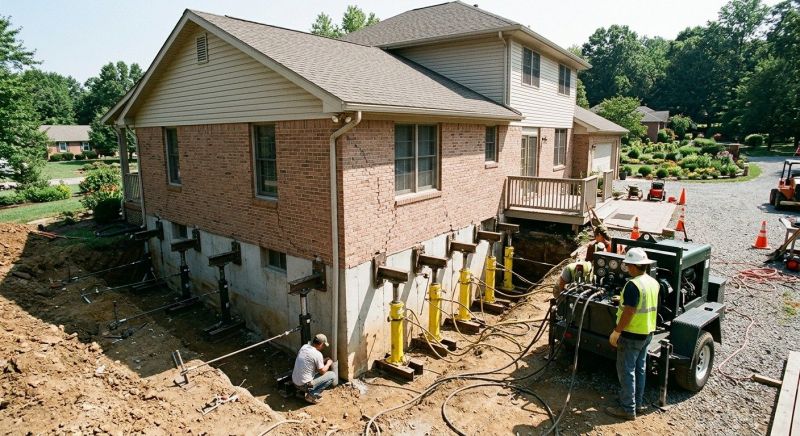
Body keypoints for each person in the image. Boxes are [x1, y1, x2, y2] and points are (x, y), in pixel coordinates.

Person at [606, 248, 659, 421]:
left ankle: (628, 409)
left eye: (628, 265)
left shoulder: (633, 285)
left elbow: (629, 311)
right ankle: (637, 403)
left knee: (626, 370)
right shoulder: (653, 282)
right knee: (639, 368)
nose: (627, 268)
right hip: (647, 332)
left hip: (631, 334)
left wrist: (617, 331)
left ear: (635, 266)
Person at [292, 333, 337, 404]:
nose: (323, 347)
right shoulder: (317, 354)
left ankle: (300, 392)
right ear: (321, 344)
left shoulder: (304, 346)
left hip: (295, 382)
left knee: (308, 371)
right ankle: (311, 395)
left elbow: (309, 361)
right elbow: (322, 371)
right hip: (304, 386)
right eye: (324, 345)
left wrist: (323, 360)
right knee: (332, 375)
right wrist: (328, 363)